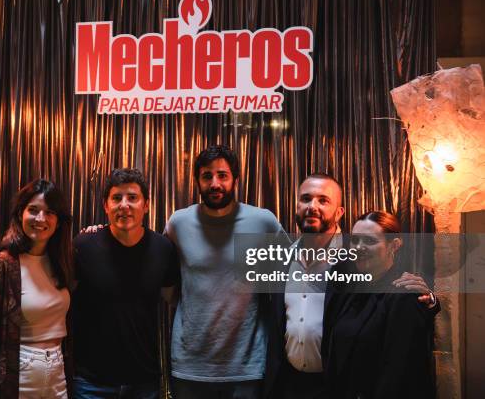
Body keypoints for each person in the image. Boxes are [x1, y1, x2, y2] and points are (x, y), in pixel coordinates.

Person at [263, 174, 437, 399]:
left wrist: (430, 301)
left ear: (339, 212)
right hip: (288, 385)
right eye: (305, 199)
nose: (312, 206)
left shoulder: (358, 257)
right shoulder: (281, 258)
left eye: (323, 200)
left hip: (337, 386)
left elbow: (390, 304)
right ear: (296, 205)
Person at [165, 145, 290, 399]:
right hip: (190, 366)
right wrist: (103, 232)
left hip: (246, 367)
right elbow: (153, 262)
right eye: (206, 176)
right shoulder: (179, 222)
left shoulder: (263, 221)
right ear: (197, 181)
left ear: (235, 179)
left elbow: (296, 268)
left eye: (222, 175)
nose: (215, 183)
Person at [0, 179, 74, 398]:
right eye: (33, 210)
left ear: (58, 221)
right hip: (19, 372)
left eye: (49, 212)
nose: (40, 219)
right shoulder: (1, 265)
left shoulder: (64, 262)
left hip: (58, 371)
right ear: (21, 213)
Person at [71, 168, 179, 399]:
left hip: (144, 380)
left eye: (132, 197)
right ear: (105, 205)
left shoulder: (163, 248)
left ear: (146, 205)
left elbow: (174, 299)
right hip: (91, 382)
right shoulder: (84, 246)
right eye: (116, 198)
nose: (124, 205)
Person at [325, 211, 435, 398]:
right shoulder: (350, 287)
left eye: (369, 241)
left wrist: (432, 301)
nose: (359, 247)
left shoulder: (405, 293)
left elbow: (398, 374)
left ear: (394, 245)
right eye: (355, 240)